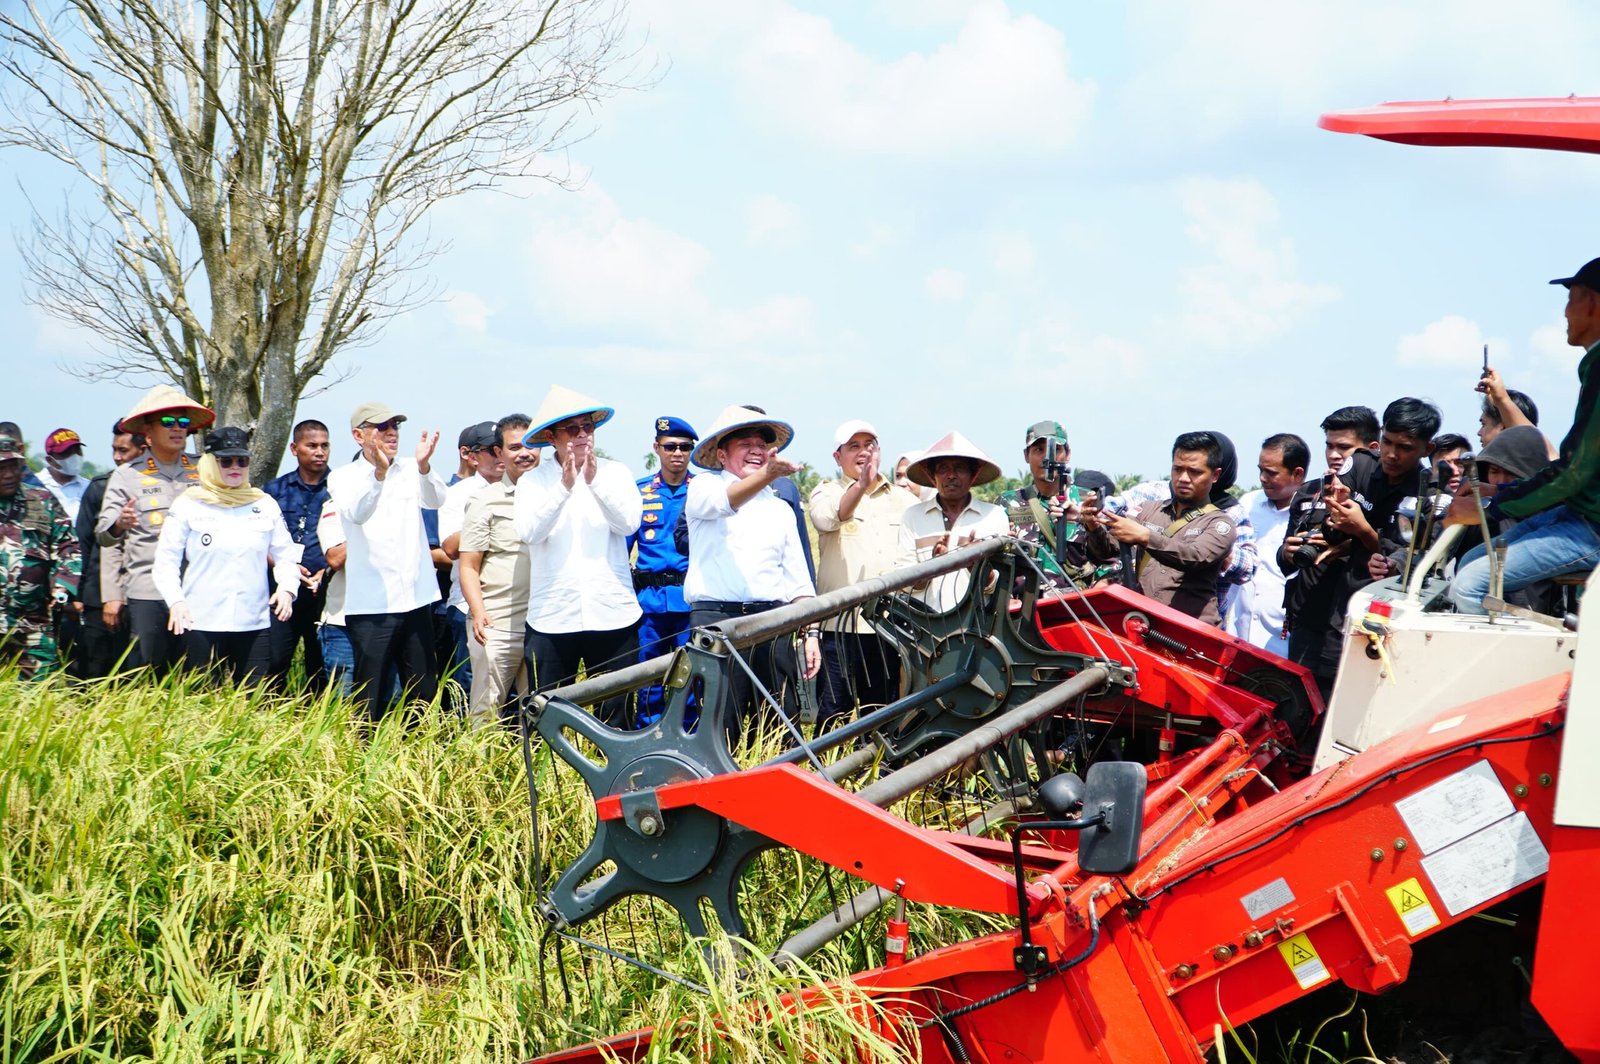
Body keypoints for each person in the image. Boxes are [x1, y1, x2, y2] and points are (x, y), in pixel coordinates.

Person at [1447, 258, 1600, 613]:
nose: (1564, 313)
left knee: (1471, 585)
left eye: (1569, 299)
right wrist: (1499, 492)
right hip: (1580, 515)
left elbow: (1575, 471)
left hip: (1593, 527)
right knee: (1469, 562)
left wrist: (1490, 508)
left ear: (1590, 302)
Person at [1285, 398, 1439, 695]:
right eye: (1388, 442)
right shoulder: (1361, 464)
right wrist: (1337, 514)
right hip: (1328, 610)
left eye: (1405, 448)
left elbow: (1407, 559)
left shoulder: (1431, 497)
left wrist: (1365, 532)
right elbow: (1330, 532)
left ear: (1426, 450)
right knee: (1304, 698)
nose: (1392, 454)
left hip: (1380, 621)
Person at [684, 405, 822, 737]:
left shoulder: (779, 507)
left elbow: (797, 579)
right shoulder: (703, 488)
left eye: (762, 444)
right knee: (719, 725)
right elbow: (726, 502)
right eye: (745, 442)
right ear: (721, 454)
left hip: (772, 623)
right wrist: (770, 473)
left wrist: (811, 633)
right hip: (717, 622)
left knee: (780, 725)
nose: (756, 450)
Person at [515, 386, 643, 728]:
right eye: (573, 429)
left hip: (613, 613)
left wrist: (594, 481)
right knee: (546, 714)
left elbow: (628, 522)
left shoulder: (616, 473)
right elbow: (530, 532)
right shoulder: (532, 482)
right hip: (553, 616)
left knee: (616, 714)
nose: (584, 435)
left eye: (588, 427)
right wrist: (564, 487)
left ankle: (616, 781)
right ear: (551, 437)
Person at [325, 401, 445, 724]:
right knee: (370, 695)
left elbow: (437, 500)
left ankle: (418, 759)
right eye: (382, 427)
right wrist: (378, 474)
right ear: (358, 435)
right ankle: (363, 762)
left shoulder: (409, 468)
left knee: (423, 692)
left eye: (396, 426)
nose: (392, 433)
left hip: (417, 599)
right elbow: (357, 513)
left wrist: (423, 467)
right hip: (372, 606)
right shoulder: (342, 476)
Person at [152, 426, 301, 683]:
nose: (235, 467)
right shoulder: (189, 504)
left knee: (255, 702)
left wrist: (287, 589)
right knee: (199, 703)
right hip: (200, 621)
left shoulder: (264, 504)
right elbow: (166, 562)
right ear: (210, 462)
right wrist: (175, 601)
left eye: (242, 461)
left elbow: (286, 556)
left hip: (253, 622)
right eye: (226, 461)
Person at [808, 419, 919, 728]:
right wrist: (860, 486)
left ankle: (880, 774)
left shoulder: (904, 501)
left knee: (883, 713)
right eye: (853, 446)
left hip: (888, 627)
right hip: (839, 628)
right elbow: (830, 518)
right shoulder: (826, 491)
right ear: (837, 457)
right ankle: (828, 774)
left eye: (869, 445)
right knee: (834, 713)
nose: (863, 452)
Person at [96, 385, 212, 672]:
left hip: (196, 590)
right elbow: (104, 536)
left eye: (183, 423)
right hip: (148, 592)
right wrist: (112, 595)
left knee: (196, 673)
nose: (177, 429)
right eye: (168, 422)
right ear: (148, 430)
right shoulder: (127, 475)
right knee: (146, 672)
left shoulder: (207, 470)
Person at [1085, 431, 1238, 625]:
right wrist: (1093, 526)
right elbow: (1108, 551)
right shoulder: (1148, 510)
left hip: (1191, 631)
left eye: (1194, 471)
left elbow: (1195, 556)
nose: (1183, 478)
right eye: (1177, 469)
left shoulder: (1220, 523)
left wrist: (1146, 537)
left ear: (1215, 475)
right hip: (1143, 623)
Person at [460, 414, 537, 727]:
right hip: (498, 624)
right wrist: (478, 613)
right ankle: (478, 773)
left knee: (541, 714)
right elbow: (468, 565)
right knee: (485, 713)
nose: (524, 453)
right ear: (500, 453)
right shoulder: (485, 501)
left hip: (543, 625)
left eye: (530, 445)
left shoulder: (556, 496)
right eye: (514, 446)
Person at [629, 415, 698, 725]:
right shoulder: (640, 492)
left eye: (685, 447)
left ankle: (688, 731)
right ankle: (648, 730)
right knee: (648, 675)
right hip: (650, 600)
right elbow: (621, 551)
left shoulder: (702, 490)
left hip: (690, 599)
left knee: (692, 673)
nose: (677, 454)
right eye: (670, 446)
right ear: (657, 448)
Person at [897, 432, 1009, 611]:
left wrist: (977, 567)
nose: (951, 475)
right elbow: (903, 582)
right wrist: (931, 567)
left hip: (977, 629)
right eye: (942, 468)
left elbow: (1002, 585)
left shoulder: (994, 516)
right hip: (923, 629)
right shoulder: (913, 516)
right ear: (932, 475)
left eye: (960, 468)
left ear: (974, 474)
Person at [0, 430, 80, 679]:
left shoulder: (42, 500)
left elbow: (69, 546)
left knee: (43, 697)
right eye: (2, 468)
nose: (9, 474)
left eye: (14, 466)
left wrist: (64, 586)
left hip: (33, 623)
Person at [264, 419, 332, 687]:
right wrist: (286, 566)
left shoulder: (338, 488)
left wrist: (326, 569)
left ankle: (316, 723)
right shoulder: (274, 490)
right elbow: (259, 539)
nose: (320, 452)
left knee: (321, 667)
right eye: (312, 445)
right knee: (275, 661)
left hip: (323, 590)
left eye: (325, 446)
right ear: (294, 448)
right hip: (283, 589)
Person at [439, 420, 503, 705]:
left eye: (504, 448)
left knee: (509, 691)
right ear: (473, 456)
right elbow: (450, 547)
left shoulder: (524, 491)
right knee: (467, 689)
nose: (500, 456)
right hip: (467, 605)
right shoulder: (457, 494)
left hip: (514, 605)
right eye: (492, 449)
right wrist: (490, 524)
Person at [1226, 434, 1308, 655]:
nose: (1262, 478)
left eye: (1271, 473)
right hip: (1236, 632)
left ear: (1297, 474)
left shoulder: (1310, 515)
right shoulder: (1248, 503)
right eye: (1260, 469)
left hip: (1281, 640)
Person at [75, 425, 145, 678]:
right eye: (114, 449)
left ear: (143, 449)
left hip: (140, 596)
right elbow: (82, 544)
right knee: (96, 673)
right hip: (98, 598)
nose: (116, 456)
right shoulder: (99, 488)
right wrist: (78, 594)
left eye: (123, 450)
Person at [39, 428, 91, 522]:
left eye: (77, 450)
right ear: (50, 460)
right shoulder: (36, 485)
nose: (74, 456)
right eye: (67, 453)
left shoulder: (90, 488)